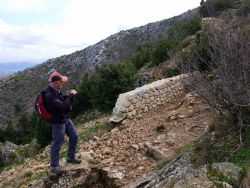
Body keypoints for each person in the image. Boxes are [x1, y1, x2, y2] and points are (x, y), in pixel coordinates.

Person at [44, 71, 81, 175]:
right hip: (57, 123)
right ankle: (54, 166)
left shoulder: (56, 90)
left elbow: (61, 103)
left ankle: (70, 157)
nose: (62, 83)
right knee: (57, 143)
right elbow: (64, 106)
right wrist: (70, 96)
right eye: (61, 81)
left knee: (74, 136)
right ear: (55, 82)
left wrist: (67, 97)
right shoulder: (49, 95)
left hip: (65, 119)